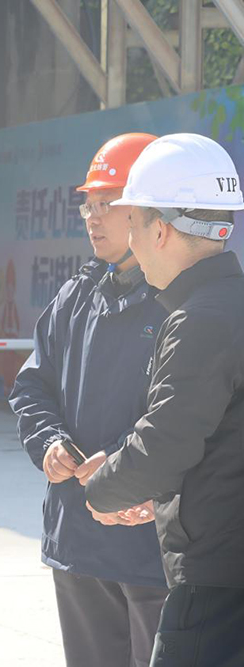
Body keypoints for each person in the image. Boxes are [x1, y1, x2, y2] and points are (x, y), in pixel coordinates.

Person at [10, 133, 169, 667]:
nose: (94, 218)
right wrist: (49, 443)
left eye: (109, 204)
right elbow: (32, 386)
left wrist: (120, 465)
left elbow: (186, 417)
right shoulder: (75, 298)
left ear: (149, 210)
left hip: (148, 543)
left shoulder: (181, 305)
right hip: (79, 538)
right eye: (89, 205)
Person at [86, 133, 244, 666]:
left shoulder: (200, 320)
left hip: (217, 589)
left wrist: (104, 489)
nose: (130, 243)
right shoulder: (230, 306)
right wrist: (154, 492)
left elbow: (166, 444)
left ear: (160, 230)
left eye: (132, 224)